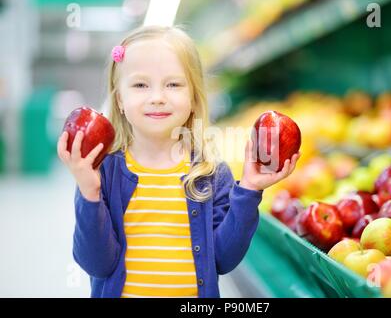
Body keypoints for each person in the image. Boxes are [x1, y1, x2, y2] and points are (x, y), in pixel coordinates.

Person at [57, 25, 299, 298]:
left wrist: (250, 190)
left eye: (173, 84)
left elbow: (223, 259)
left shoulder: (211, 174)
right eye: (140, 85)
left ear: (193, 98)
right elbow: (96, 264)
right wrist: (89, 193)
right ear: (120, 99)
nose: (157, 98)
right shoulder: (103, 174)